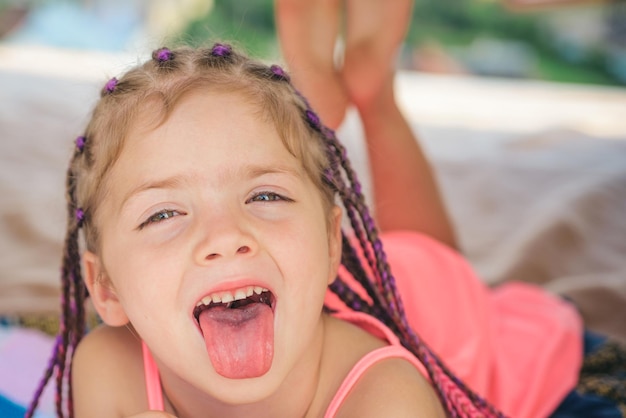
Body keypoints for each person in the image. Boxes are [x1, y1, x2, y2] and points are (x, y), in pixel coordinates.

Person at [26, 1, 622, 417]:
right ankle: (354, 101)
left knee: (434, 267)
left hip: (514, 357)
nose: (225, 236)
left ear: (335, 241)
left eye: (264, 196)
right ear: (104, 286)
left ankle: (373, 95)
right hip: (362, 287)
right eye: (162, 213)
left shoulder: (389, 397)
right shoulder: (106, 365)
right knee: (416, 261)